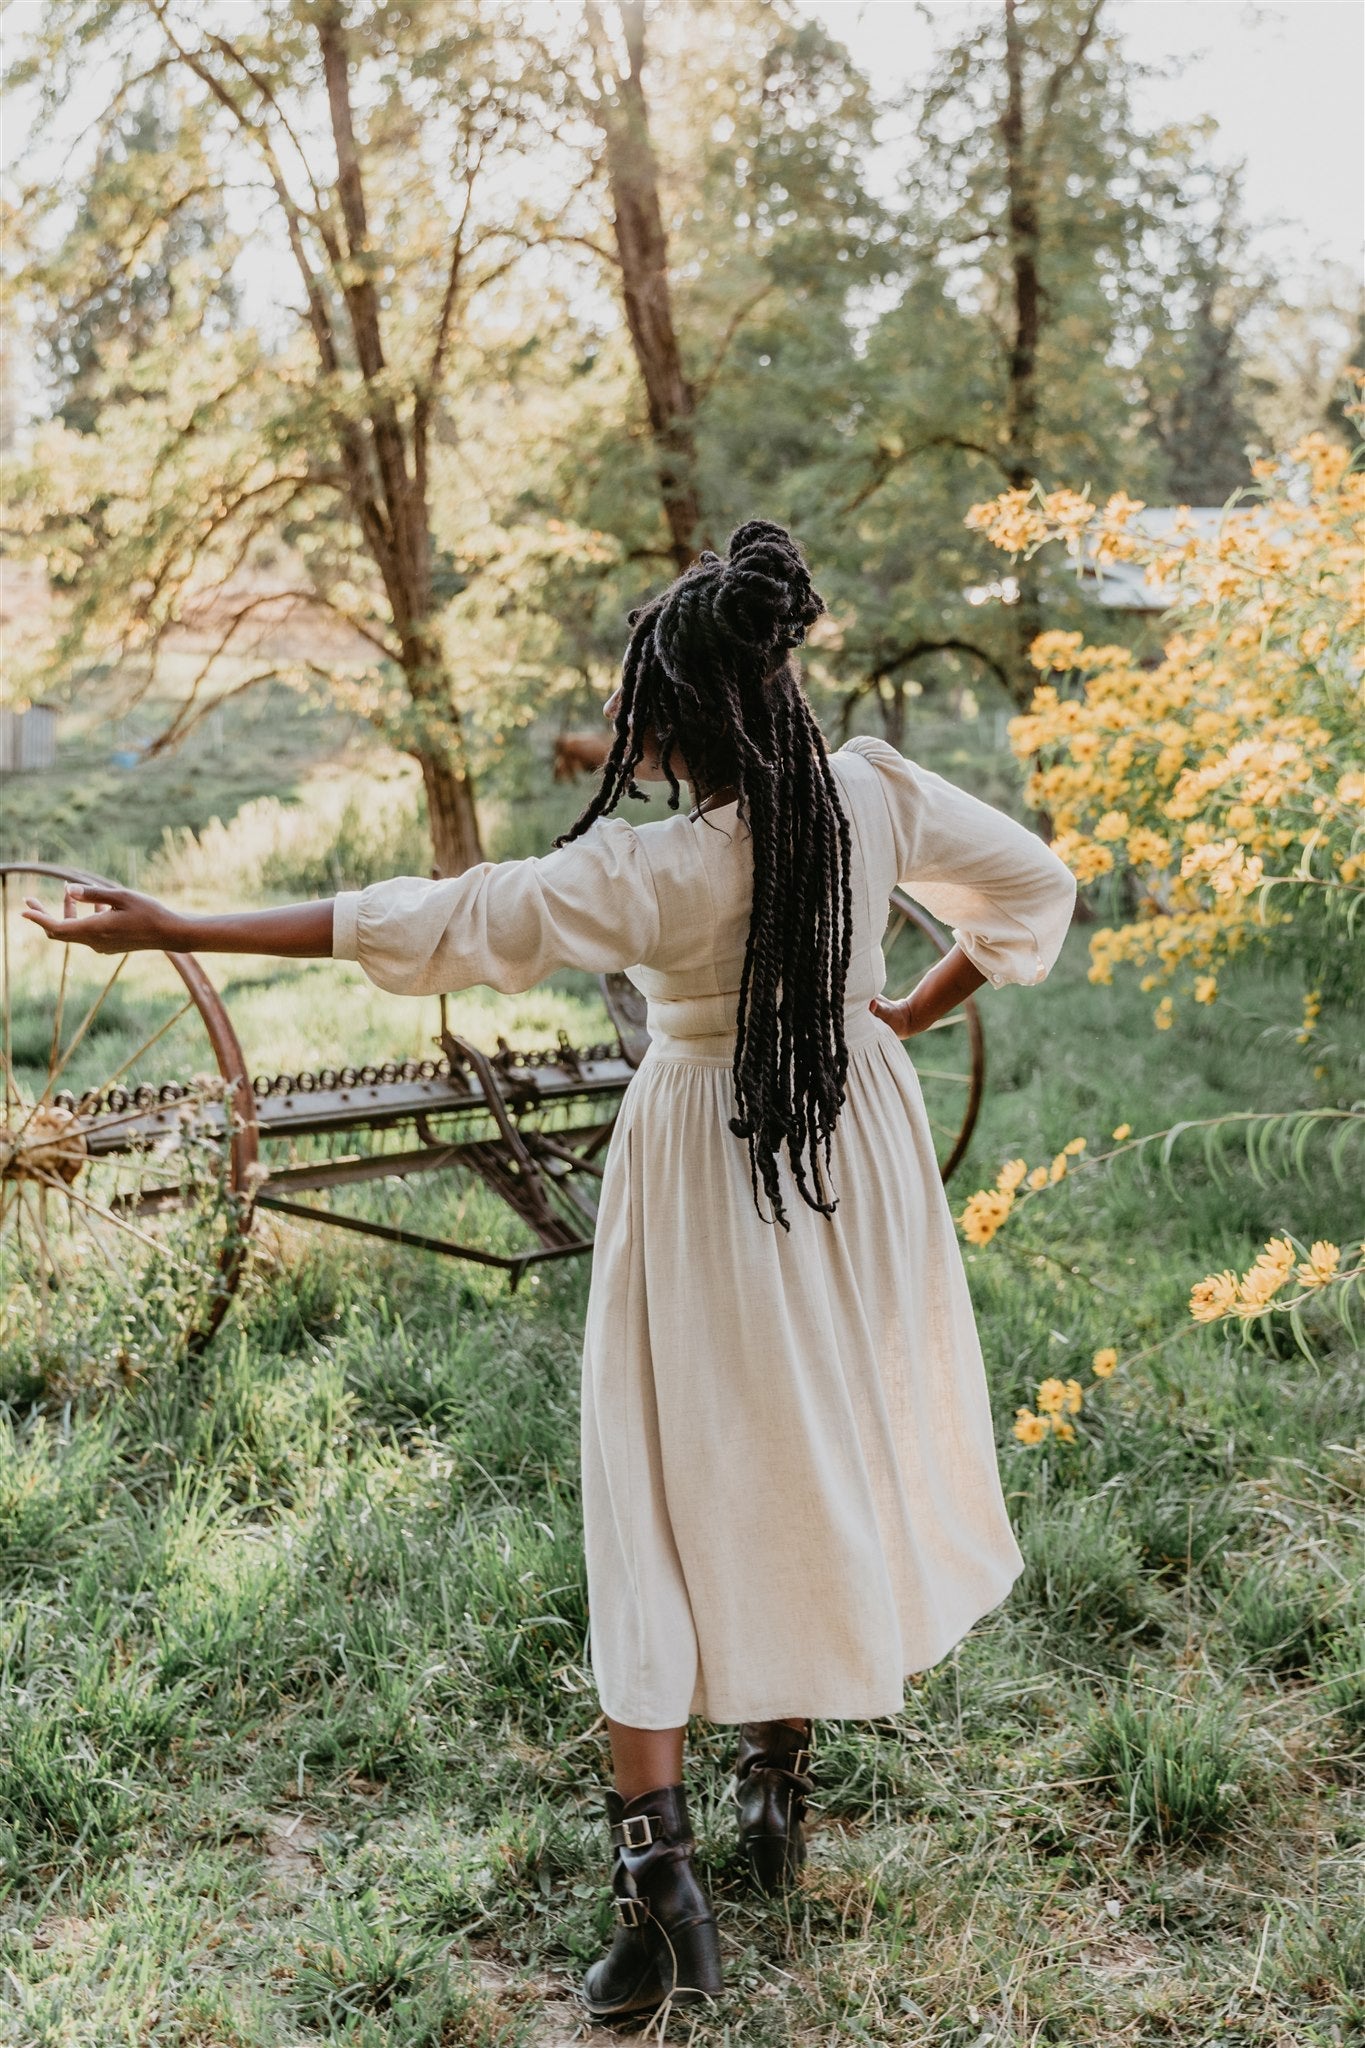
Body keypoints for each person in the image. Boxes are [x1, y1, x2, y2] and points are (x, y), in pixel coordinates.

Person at [26, 519, 1078, 2027]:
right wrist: (899, 1003)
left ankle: (660, 1895)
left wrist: (177, 920)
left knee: (650, 1489)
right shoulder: (869, 791)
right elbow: (1034, 885)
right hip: (851, 1143)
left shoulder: (644, 873)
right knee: (819, 1445)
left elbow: (430, 919)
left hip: (708, 1163)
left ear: (663, 722)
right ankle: (778, 1782)